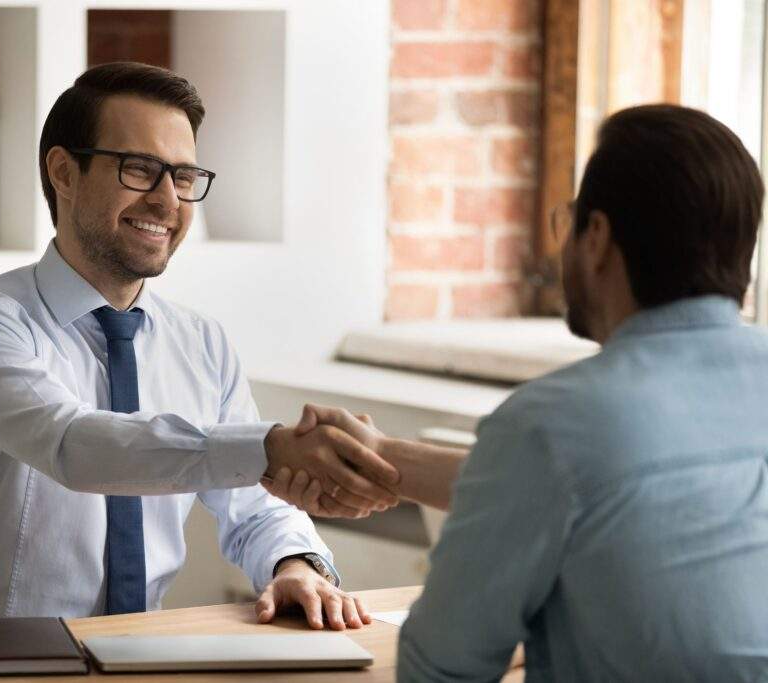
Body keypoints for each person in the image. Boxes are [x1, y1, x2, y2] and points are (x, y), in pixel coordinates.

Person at [266, 104, 768, 680]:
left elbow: (440, 669)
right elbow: (593, 483)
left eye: (568, 221)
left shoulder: (554, 421)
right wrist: (385, 456)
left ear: (597, 238)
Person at [0, 62, 401, 630]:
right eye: (141, 170)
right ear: (64, 173)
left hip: (143, 658)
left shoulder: (201, 344)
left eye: (184, 176)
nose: (168, 201)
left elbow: (252, 502)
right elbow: (76, 446)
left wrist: (294, 564)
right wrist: (272, 448)